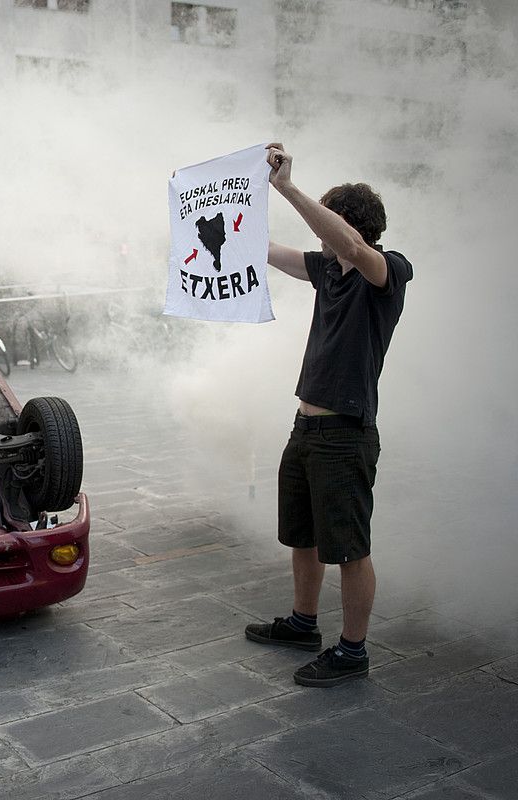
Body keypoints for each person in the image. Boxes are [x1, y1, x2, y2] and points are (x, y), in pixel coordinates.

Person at [244, 143, 413, 687]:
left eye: (327, 224)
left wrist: (289, 189)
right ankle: (303, 623)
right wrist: (215, 225)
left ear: (344, 225)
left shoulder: (386, 272)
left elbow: (354, 245)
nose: (319, 237)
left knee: (349, 547)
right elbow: (275, 252)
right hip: (307, 427)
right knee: (304, 534)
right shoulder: (328, 272)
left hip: (346, 432)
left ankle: (353, 650)